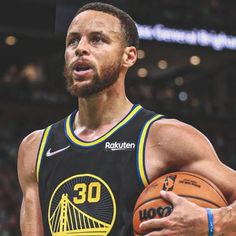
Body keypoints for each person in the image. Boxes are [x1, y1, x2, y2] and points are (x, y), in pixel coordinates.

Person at [17, 2, 236, 236]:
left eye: (97, 39)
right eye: (72, 40)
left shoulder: (164, 137)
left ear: (128, 56)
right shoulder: (35, 148)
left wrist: (211, 222)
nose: (80, 48)